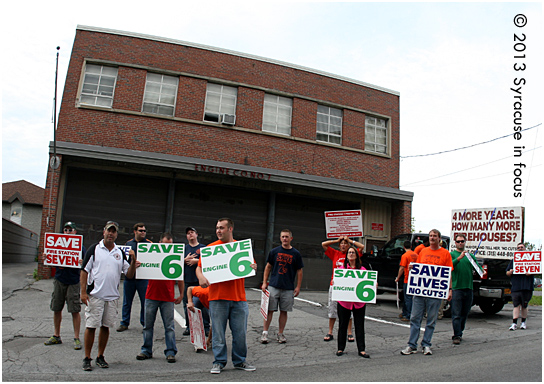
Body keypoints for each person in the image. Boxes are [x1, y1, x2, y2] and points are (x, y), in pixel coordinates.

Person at [196, 218, 256, 374]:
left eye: (221, 228)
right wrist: (201, 277)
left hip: (238, 299)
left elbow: (251, 265)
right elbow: (199, 268)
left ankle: (240, 361)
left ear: (230, 229)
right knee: (218, 333)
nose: (218, 231)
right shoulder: (210, 249)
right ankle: (219, 362)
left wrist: (253, 266)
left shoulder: (241, 248)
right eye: (217, 228)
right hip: (217, 298)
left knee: (240, 334)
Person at [80, 221, 137, 371]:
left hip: (112, 297)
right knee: (91, 326)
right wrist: (83, 292)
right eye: (108, 231)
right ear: (103, 232)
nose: (111, 234)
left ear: (116, 234)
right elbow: (84, 271)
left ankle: (100, 356)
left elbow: (129, 275)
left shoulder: (120, 252)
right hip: (95, 295)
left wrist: (132, 261)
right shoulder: (94, 249)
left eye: (114, 232)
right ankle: (87, 358)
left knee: (106, 327)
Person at [401, 229, 453, 356]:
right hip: (420, 292)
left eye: (435, 236)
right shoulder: (423, 251)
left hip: (435, 293)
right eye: (430, 236)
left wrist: (450, 290)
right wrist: (412, 268)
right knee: (414, 317)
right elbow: (418, 269)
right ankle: (412, 345)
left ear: (439, 238)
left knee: (431, 319)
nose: (432, 238)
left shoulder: (445, 253)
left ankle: (426, 344)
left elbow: (448, 273)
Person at [136, 233, 183, 363]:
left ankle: (170, 351)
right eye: (165, 245)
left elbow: (180, 278)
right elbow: (142, 267)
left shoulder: (176, 257)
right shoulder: (151, 255)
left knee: (169, 326)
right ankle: (146, 350)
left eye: (170, 245)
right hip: (151, 295)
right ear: (159, 243)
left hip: (167, 297)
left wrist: (181, 294)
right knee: (148, 325)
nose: (168, 248)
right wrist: (137, 264)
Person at [45, 221, 87, 350]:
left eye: (71, 230)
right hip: (59, 280)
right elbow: (52, 262)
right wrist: (47, 257)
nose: (68, 232)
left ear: (75, 232)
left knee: (75, 310)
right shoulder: (56, 243)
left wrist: (82, 262)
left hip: (73, 281)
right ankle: (56, 335)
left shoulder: (80, 247)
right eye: (66, 230)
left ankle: (76, 338)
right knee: (57, 308)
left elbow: (86, 266)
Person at [260, 229, 304, 344]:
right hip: (274, 286)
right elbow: (268, 267)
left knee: (284, 311)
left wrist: (298, 286)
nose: (285, 239)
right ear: (280, 238)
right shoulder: (274, 251)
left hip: (288, 288)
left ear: (291, 238)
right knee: (269, 310)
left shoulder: (296, 254)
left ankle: (280, 334)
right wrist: (265, 282)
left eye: (287, 237)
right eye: (283, 237)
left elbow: (299, 271)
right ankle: (265, 333)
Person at [321, 236, 364, 342]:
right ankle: (330, 331)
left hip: (349, 286)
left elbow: (362, 246)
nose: (343, 245)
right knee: (332, 308)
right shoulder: (335, 253)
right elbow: (323, 244)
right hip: (335, 285)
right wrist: (337, 240)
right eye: (342, 244)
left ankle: (349, 332)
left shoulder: (351, 255)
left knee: (348, 309)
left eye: (345, 243)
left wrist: (350, 240)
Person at [335, 246, 371, 358]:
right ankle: (340, 348)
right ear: (346, 256)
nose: (351, 254)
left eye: (353, 252)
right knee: (342, 325)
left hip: (359, 303)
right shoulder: (342, 269)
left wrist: (373, 285)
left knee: (359, 325)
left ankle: (361, 349)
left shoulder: (363, 270)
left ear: (356, 255)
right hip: (344, 302)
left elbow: (368, 282)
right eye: (349, 252)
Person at [117, 223, 152, 332]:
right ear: (135, 231)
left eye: (144, 231)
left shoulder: (149, 244)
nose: (143, 233)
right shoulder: (128, 244)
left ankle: (145, 323)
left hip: (143, 278)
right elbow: (124, 261)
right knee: (127, 301)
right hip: (130, 278)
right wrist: (132, 263)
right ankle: (124, 322)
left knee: (144, 302)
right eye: (141, 230)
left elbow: (153, 261)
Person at [450, 233, 477, 344]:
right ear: (455, 243)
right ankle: (457, 335)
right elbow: (449, 266)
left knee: (465, 313)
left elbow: (476, 266)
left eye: (462, 241)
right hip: (457, 288)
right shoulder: (452, 254)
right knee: (456, 313)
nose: (460, 243)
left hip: (468, 287)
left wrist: (481, 271)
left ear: (465, 242)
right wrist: (459, 258)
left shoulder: (470, 256)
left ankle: (460, 331)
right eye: (458, 241)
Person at [182, 227, 205, 336]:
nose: (190, 235)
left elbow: (210, 262)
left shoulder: (203, 248)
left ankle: (205, 326)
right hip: (187, 280)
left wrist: (197, 261)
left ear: (196, 234)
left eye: (192, 233)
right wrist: (184, 260)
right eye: (188, 233)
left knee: (202, 304)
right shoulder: (183, 249)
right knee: (187, 304)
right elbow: (174, 263)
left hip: (199, 281)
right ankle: (189, 326)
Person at [506, 242, 534, 330]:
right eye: (518, 247)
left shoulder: (531, 260)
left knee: (524, 305)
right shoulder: (513, 260)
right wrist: (510, 272)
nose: (520, 248)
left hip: (527, 286)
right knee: (516, 305)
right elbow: (507, 272)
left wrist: (531, 272)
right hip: (516, 287)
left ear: (525, 249)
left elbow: (538, 269)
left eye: (522, 247)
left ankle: (523, 323)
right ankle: (514, 323)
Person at [395, 240, 418, 321]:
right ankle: (404, 312)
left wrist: (398, 278)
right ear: (411, 246)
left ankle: (408, 315)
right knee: (409, 298)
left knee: (407, 298)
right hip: (415, 279)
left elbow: (402, 267)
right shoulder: (416, 255)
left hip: (407, 279)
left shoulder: (405, 256)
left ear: (404, 247)